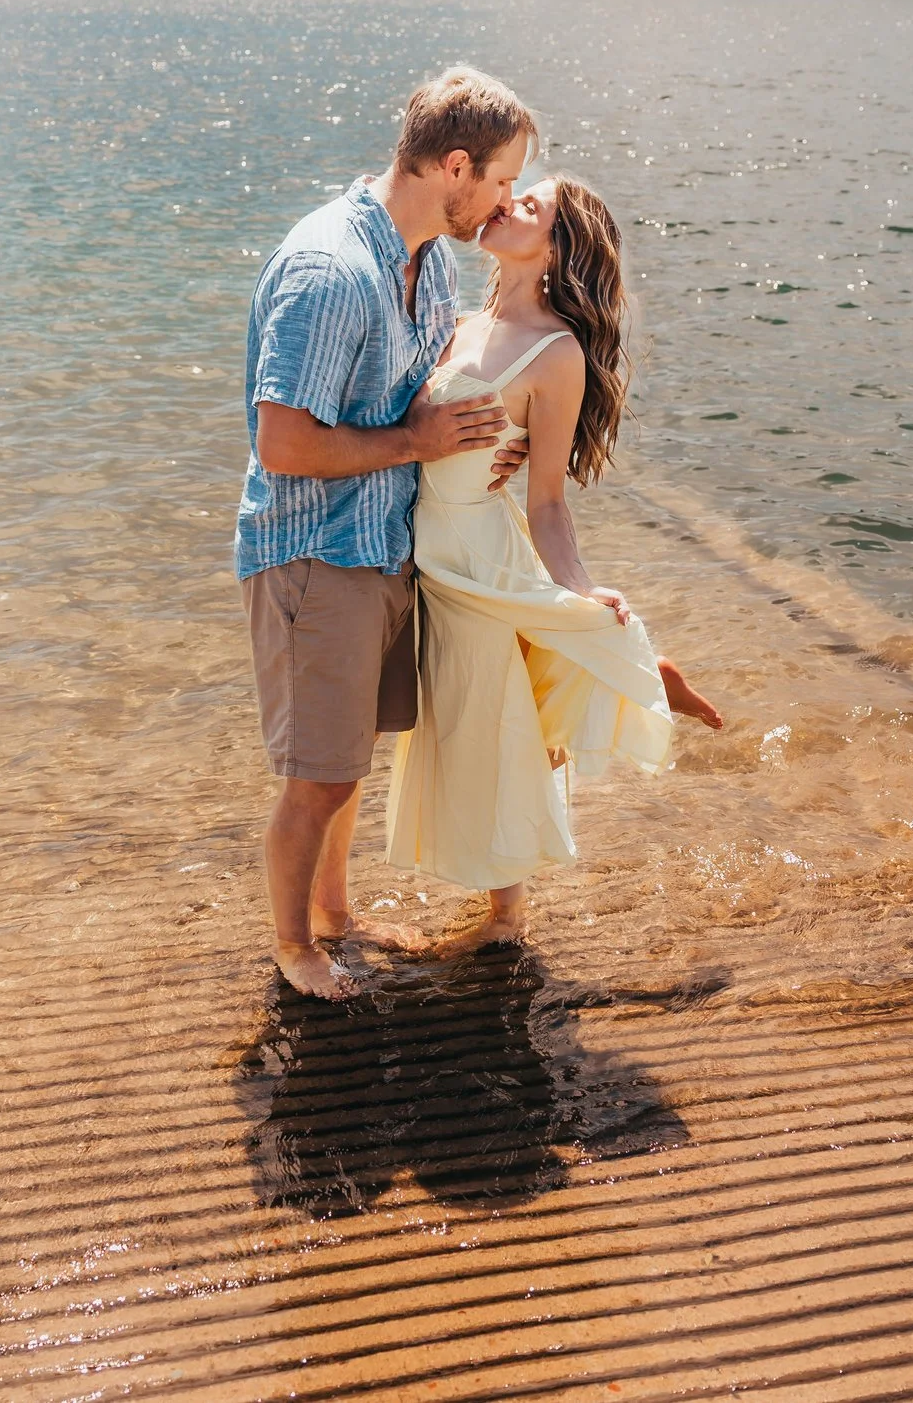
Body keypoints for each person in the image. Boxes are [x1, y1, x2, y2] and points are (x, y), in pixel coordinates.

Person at [238, 66, 538, 1001]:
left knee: (349, 758)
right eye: (499, 179)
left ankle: (333, 913)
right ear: (455, 165)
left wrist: (492, 441)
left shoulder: (429, 258)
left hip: (381, 545)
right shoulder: (334, 269)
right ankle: (293, 949)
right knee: (315, 776)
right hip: (313, 553)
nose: (507, 198)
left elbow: (425, 388)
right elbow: (282, 443)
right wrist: (418, 440)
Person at [388, 175, 713, 949]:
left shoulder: (555, 355)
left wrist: (579, 591)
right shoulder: (459, 321)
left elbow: (547, 504)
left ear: (557, 248)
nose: (507, 205)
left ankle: (506, 920)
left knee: (486, 727)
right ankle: (635, 668)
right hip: (428, 553)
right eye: (514, 192)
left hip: (478, 560)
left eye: (529, 206)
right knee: (467, 716)